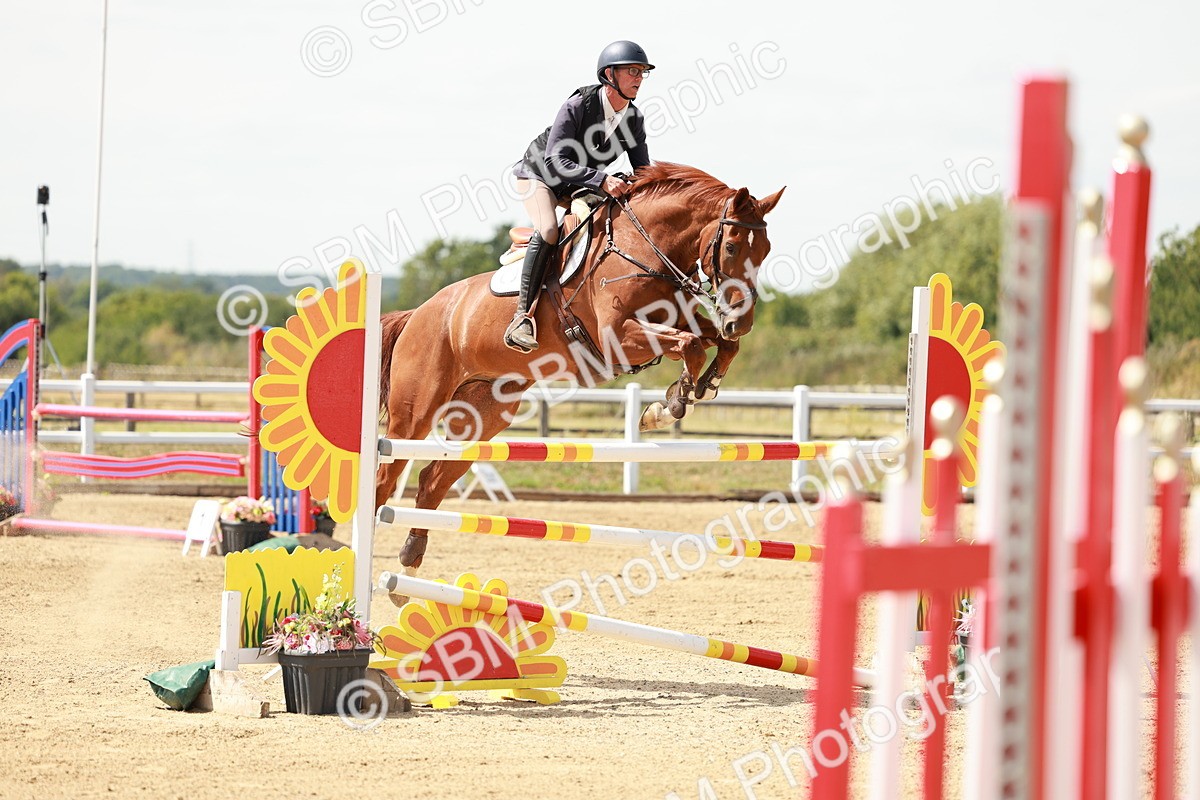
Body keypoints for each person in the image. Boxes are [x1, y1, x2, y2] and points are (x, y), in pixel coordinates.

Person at [504, 40, 655, 353]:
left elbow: (643, 170)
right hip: (538, 176)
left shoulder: (633, 120)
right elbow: (555, 161)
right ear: (609, 75)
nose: (639, 78)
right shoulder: (578, 105)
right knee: (548, 229)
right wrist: (603, 179)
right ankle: (521, 317)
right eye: (632, 71)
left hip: (578, 185)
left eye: (642, 72)